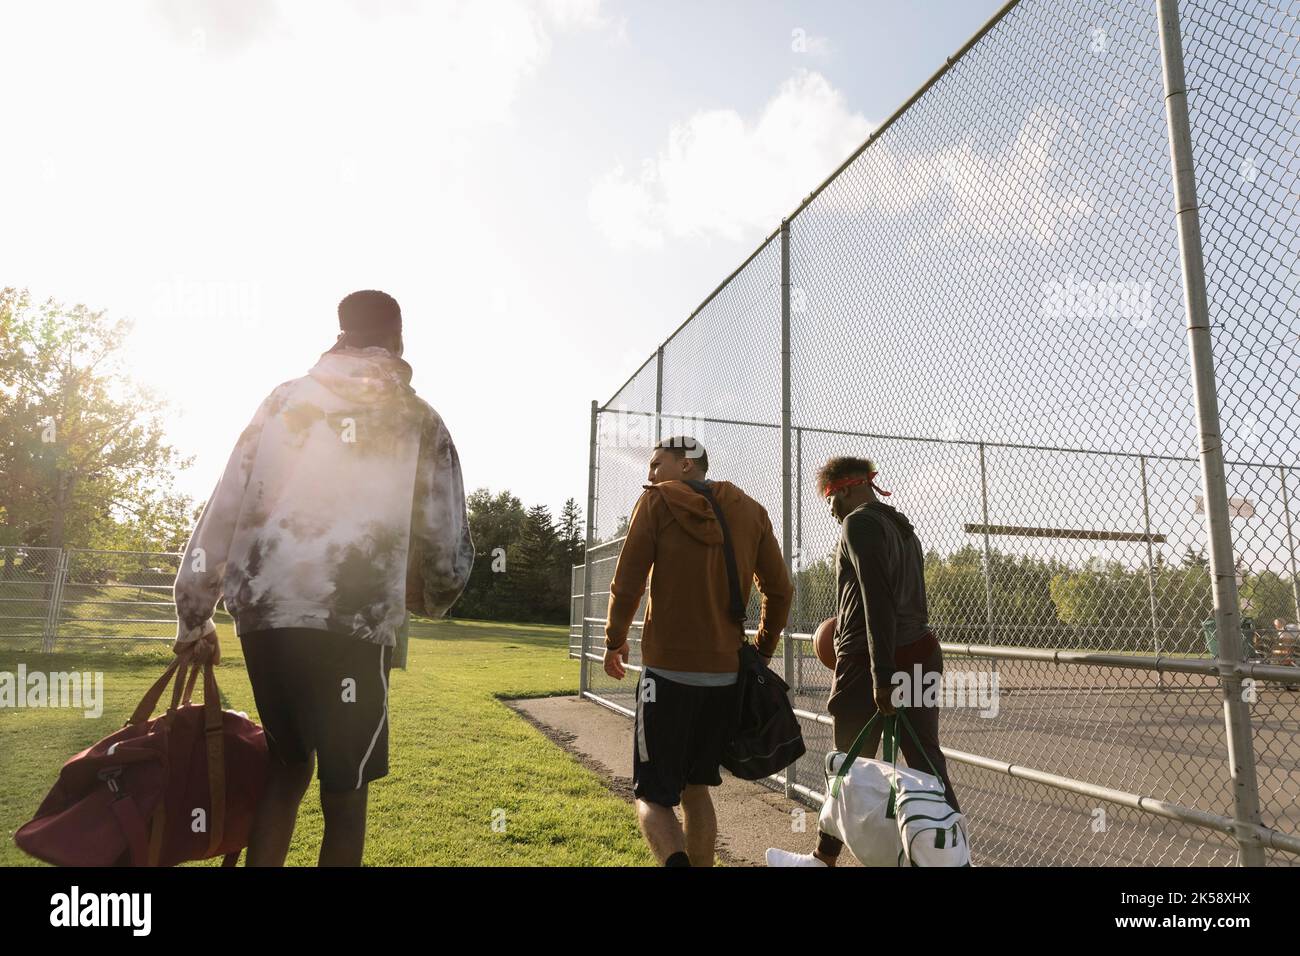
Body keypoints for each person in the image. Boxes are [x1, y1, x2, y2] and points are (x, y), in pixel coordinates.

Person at [172, 289, 474, 866]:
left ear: (338, 334)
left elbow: (227, 502)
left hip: (266, 618)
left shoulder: (283, 402)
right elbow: (444, 533)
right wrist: (435, 595)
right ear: (398, 339)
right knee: (346, 787)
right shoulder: (417, 417)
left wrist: (195, 611)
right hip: (355, 623)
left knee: (285, 767)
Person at [603, 436, 793, 866]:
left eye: (656, 465)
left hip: (667, 674)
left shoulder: (655, 503)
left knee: (652, 795)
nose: (649, 475)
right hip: (726, 677)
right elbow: (780, 591)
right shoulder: (750, 509)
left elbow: (627, 581)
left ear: (687, 465)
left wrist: (615, 641)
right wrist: (762, 651)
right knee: (696, 789)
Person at [767, 455, 961, 867]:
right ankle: (956, 859)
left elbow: (878, 600)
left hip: (871, 660)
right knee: (928, 760)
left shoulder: (858, 524)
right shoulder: (901, 525)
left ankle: (822, 860)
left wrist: (881, 677)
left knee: (848, 760)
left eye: (831, 498)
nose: (831, 510)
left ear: (848, 488)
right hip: (921, 653)